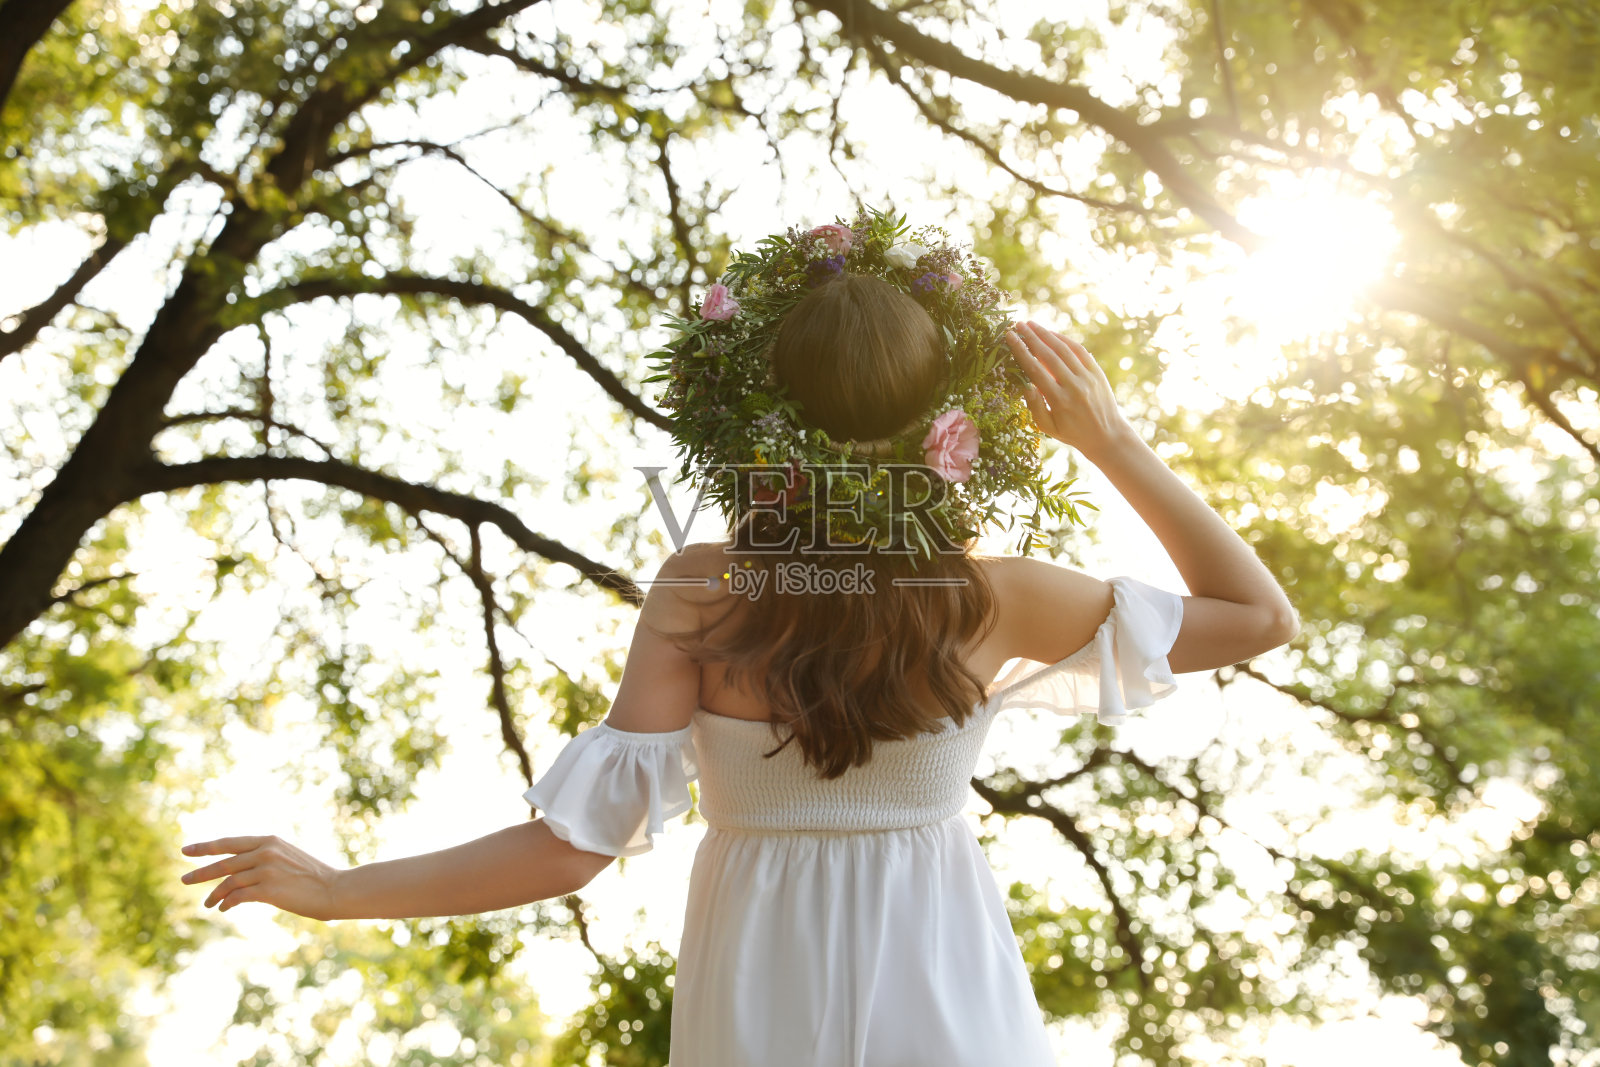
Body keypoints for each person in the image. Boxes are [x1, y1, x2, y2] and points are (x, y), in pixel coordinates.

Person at [179, 214, 1298, 1066]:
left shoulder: (705, 589)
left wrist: (340, 888)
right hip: (948, 984)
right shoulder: (995, 597)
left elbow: (576, 844)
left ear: (759, 412)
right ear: (947, 415)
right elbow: (1259, 616)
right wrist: (1111, 441)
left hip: (757, 981)